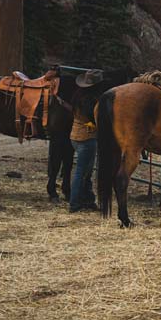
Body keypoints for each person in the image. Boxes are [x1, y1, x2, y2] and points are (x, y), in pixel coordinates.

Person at [68, 69, 103, 213]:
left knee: (85, 171)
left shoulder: (77, 96)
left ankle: (88, 199)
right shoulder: (91, 100)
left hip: (75, 136)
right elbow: (94, 119)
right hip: (87, 138)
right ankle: (75, 203)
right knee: (82, 171)